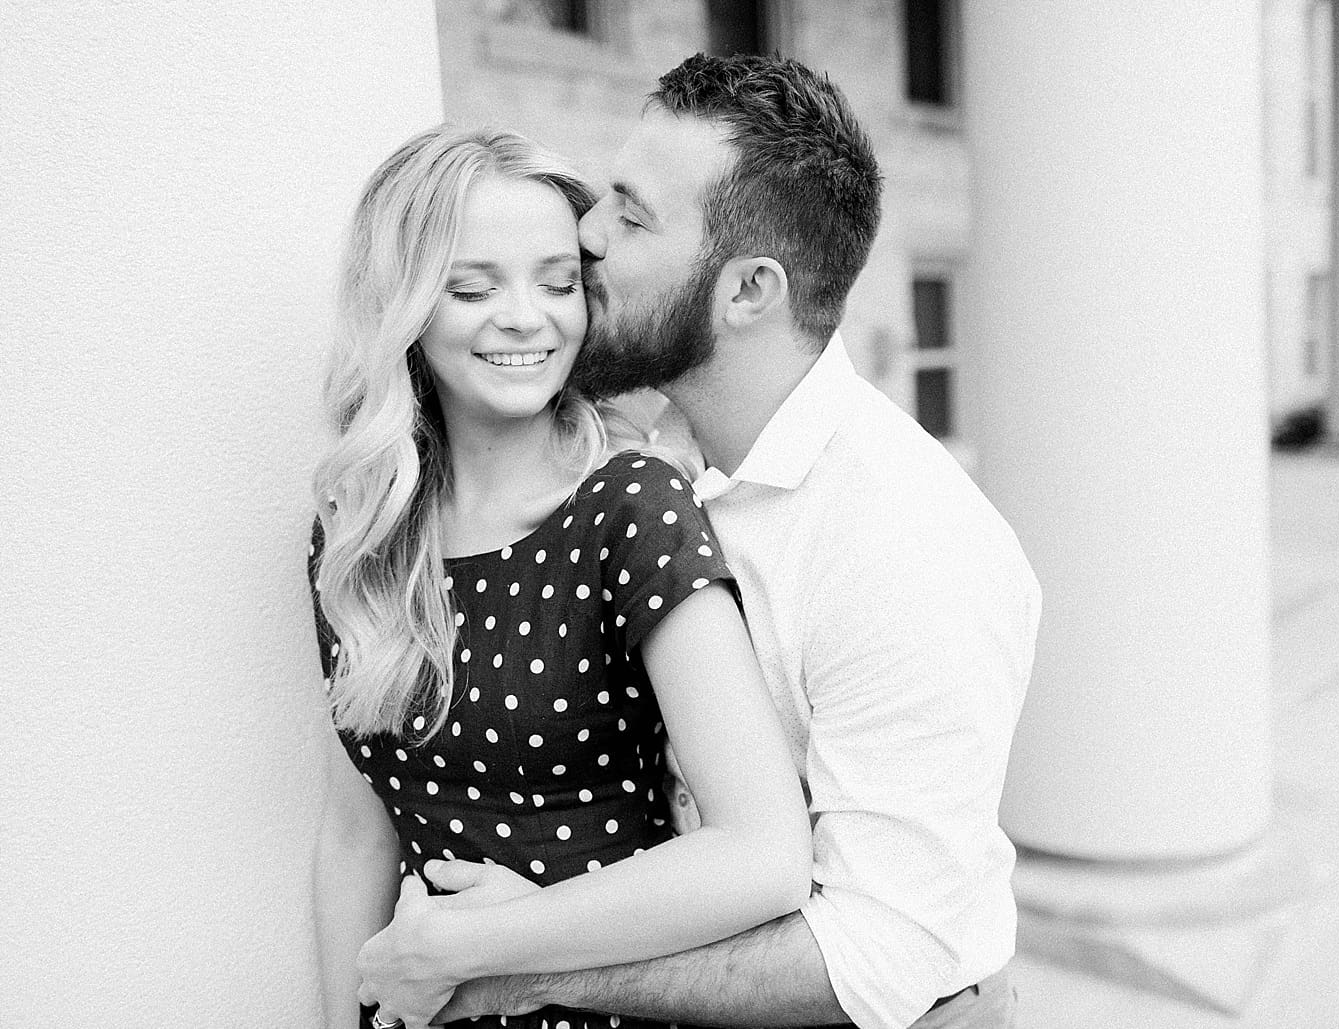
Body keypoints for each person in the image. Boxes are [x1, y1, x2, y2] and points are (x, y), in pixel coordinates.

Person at [367, 54, 1042, 1029]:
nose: (587, 236)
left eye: (633, 218)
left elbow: (880, 958)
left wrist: (522, 966)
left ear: (747, 291)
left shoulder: (905, 543)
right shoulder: (651, 446)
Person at [306, 125, 813, 1029]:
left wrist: (478, 946)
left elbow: (763, 853)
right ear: (403, 307)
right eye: (472, 288)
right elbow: (358, 831)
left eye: (557, 281)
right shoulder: (360, 532)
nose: (525, 316)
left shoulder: (631, 507)